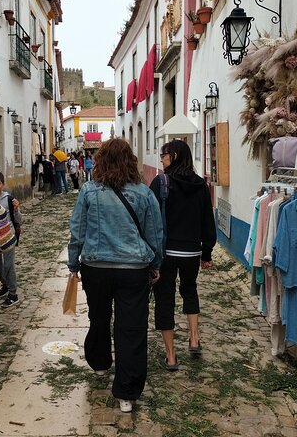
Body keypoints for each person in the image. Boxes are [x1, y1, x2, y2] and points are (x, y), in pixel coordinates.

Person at [67, 138, 163, 413]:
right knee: (131, 328)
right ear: (130, 162)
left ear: (100, 161)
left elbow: (78, 230)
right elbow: (155, 233)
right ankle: (126, 393)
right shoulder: (143, 193)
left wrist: (73, 263)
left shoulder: (89, 191)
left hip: (96, 268)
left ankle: (99, 363)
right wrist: (155, 264)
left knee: (98, 317)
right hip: (133, 269)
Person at [149, 140, 216, 371]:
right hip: (191, 252)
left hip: (166, 252)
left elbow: (150, 219)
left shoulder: (161, 182)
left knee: (164, 298)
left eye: (164, 155)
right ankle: (194, 339)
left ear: (175, 156)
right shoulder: (200, 184)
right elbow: (207, 220)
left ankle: (171, 356)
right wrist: (206, 253)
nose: (162, 159)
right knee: (189, 289)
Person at [0, 170, 22, 308]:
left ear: (3, 184)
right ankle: (5, 284)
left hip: (8, 236)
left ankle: (13, 294)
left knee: (9, 265)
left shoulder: (9, 199)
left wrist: (16, 209)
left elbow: (18, 220)